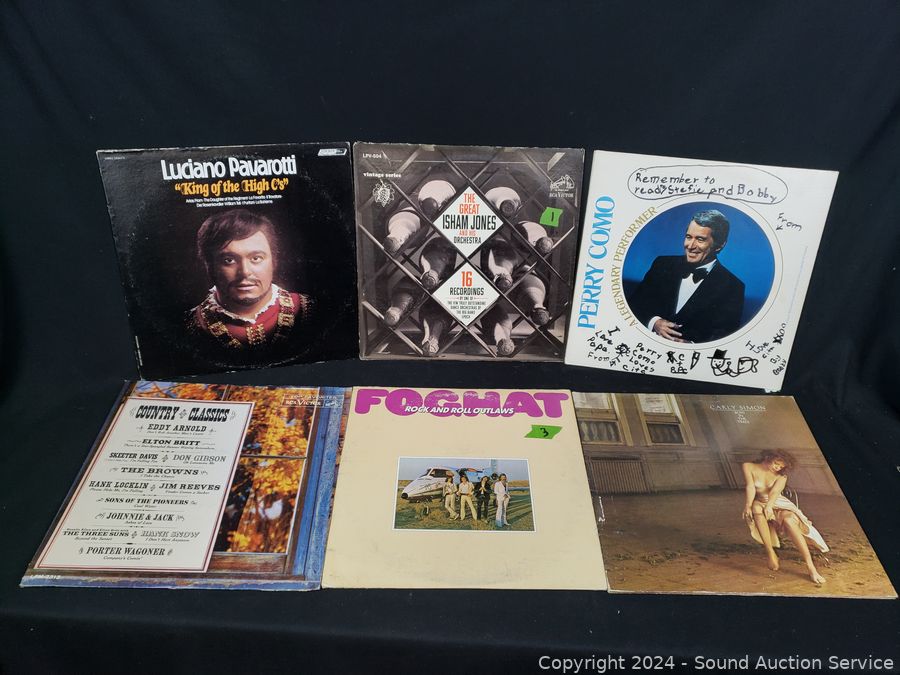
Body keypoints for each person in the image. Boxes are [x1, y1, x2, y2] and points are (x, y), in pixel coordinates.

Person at [186, 208, 313, 353]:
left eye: (256, 258)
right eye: (229, 260)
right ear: (209, 266)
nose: (245, 272)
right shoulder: (191, 325)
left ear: (274, 262)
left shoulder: (308, 310)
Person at [627, 209, 745, 343]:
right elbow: (634, 304)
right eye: (688, 237)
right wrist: (654, 322)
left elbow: (725, 336)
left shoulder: (733, 286)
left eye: (700, 239)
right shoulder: (662, 264)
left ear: (719, 245)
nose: (690, 246)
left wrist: (692, 346)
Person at [742, 450, 828, 585]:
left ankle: (811, 567)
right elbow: (750, 486)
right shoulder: (748, 466)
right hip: (760, 502)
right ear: (769, 457)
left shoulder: (781, 477)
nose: (777, 468)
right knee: (756, 508)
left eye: (781, 466)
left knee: (788, 520)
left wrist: (769, 507)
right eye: (776, 463)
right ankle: (770, 552)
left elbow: (774, 494)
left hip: (778, 503)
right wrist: (747, 505)